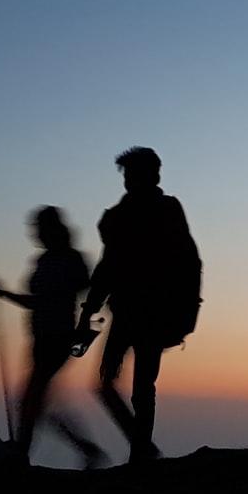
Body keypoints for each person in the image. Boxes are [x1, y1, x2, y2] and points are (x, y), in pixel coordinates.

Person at [77, 147, 202, 464]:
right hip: (135, 311)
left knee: (136, 385)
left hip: (152, 311)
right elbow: (109, 266)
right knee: (120, 384)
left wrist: (186, 310)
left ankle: (141, 452)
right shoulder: (125, 215)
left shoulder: (146, 212)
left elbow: (187, 260)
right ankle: (142, 449)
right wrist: (89, 310)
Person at [0, 206, 105, 467]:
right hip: (44, 339)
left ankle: (22, 453)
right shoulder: (57, 260)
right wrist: (5, 294)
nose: (35, 234)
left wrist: (5, 294)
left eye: (38, 229)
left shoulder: (60, 261)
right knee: (36, 400)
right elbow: (46, 300)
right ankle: (84, 448)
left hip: (56, 339)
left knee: (32, 399)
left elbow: (43, 301)